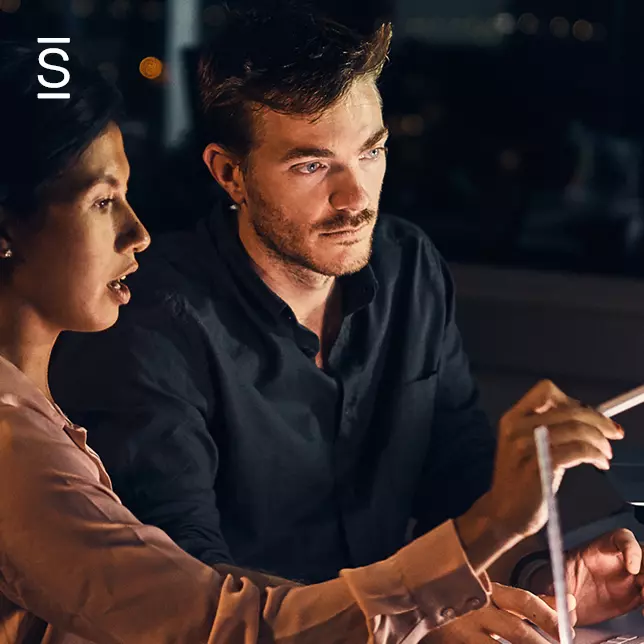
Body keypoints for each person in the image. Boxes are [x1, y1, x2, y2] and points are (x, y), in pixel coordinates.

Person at [48, 8, 644, 642]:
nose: (355, 197)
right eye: (312, 166)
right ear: (230, 174)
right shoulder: (150, 321)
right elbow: (193, 591)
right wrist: (410, 621)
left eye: (371, 152)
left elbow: (459, 473)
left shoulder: (408, 266)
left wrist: (542, 575)